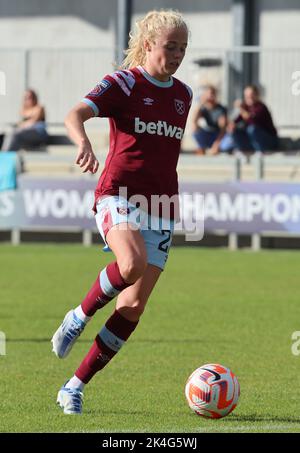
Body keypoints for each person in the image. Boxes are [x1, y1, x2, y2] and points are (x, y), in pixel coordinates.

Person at [51, 9, 192, 415]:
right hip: (119, 194)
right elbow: (74, 113)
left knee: (131, 307)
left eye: (183, 47)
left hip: (163, 205)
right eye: (171, 46)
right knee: (130, 263)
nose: (178, 54)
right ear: (149, 45)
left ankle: (73, 387)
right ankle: (78, 316)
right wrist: (83, 142)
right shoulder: (123, 83)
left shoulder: (183, 94)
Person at [227, 85, 278, 153]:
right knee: (233, 130)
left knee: (251, 129)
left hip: (269, 141)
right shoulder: (246, 107)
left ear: (257, 95)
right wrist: (231, 125)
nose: (249, 97)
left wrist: (241, 108)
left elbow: (251, 120)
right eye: (246, 96)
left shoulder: (261, 107)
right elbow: (237, 120)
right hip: (253, 142)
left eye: (251, 95)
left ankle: (261, 151)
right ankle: (243, 150)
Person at [191, 85, 227, 155]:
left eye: (212, 94)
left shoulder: (221, 109)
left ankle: (214, 148)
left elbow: (223, 129)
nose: (210, 96)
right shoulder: (203, 108)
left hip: (217, 134)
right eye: (208, 94)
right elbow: (194, 120)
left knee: (226, 143)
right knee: (194, 127)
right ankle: (202, 147)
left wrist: (216, 144)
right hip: (207, 133)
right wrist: (201, 103)